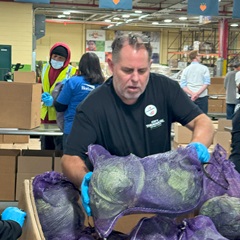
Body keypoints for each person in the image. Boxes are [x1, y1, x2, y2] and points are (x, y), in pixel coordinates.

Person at [61, 34, 215, 216]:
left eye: (142, 71)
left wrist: (197, 145)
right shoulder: (92, 107)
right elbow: (70, 158)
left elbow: (202, 121)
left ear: (150, 65)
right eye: (127, 70)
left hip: (161, 199)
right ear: (111, 66)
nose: (135, 78)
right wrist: (86, 179)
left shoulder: (165, 89)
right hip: (116, 203)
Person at [54, 52, 105, 150]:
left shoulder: (73, 82)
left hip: (73, 131)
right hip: (96, 133)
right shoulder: (103, 85)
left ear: (81, 65)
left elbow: (59, 106)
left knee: (71, 164)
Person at [39, 42, 77, 150]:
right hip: (45, 117)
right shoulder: (45, 68)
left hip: (61, 118)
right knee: (45, 150)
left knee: (60, 150)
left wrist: (55, 101)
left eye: (60, 58)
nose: (56, 60)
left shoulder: (72, 72)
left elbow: (73, 96)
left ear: (66, 60)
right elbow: (41, 86)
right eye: (54, 56)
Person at [180, 50, 211, 114]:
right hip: (202, 97)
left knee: (190, 118)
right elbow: (206, 83)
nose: (200, 57)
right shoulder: (204, 68)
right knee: (203, 118)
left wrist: (192, 94)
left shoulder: (186, 70)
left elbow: (183, 85)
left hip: (190, 97)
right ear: (196, 57)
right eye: (199, 55)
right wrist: (197, 94)